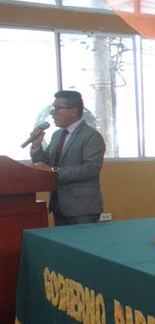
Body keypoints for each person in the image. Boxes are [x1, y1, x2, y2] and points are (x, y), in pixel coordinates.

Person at [29, 90, 106, 226]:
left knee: (82, 240)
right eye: (53, 108)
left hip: (82, 207)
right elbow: (45, 164)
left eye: (58, 108)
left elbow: (90, 169)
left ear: (74, 111)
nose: (52, 113)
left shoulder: (91, 136)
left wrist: (54, 171)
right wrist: (36, 146)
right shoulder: (57, 135)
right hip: (58, 205)